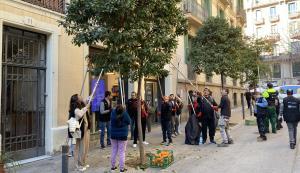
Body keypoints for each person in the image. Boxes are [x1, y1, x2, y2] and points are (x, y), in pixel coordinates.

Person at [68, 94, 90, 171]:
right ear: (77, 99)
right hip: (77, 129)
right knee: (77, 148)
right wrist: (85, 108)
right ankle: (77, 166)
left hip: (83, 129)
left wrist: (88, 100)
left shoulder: (80, 105)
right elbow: (80, 114)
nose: (81, 96)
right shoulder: (75, 107)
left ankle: (82, 163)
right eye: (79, 96)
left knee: (83, 147)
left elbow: (86, 101)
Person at [110, 105, 131, 172]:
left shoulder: (113, 112)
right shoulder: (124, 113)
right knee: (122, 152)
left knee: (114, 150)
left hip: (113, 135)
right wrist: (125, 110)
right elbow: (129, 121)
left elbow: (111, 118)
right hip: (123, 135)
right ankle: (121, 169)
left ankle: (113, 167)